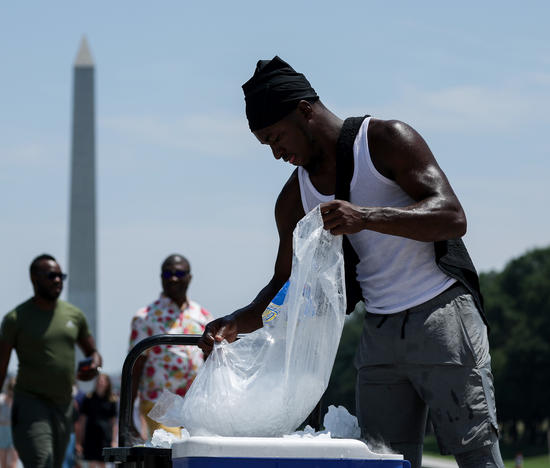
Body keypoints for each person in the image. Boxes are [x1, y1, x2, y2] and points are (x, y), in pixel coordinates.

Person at [198, 56, 502, 468]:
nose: (276, 153)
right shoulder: (294, 200)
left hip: (442, 316)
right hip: (378, 335)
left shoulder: (383, 139)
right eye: (266, 144)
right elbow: (284, 285)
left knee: (476, 456)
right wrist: (237, 322)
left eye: (276, 137)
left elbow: (453, 217)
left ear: (304, 110)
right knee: (379, 461)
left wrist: (368, 216)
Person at [0, 253, 102, 468]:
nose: (57, 281)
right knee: (41, 461)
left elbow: (93, 352)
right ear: (33, 278)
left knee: (55, 464)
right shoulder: (15, 319)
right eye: (51, 276)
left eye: (60, 276)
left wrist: (94, 365)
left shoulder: (74, 315)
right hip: (31, 403)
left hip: (63, 405)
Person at [130, 254, 212, 438]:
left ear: (189, 277)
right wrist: (127, 417)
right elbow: (134, 369)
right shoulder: (145, 317)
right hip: (159, 401)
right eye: (168, 274)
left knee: (195, 450)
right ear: (161, 277)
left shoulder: (203, 316)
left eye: (179, 273)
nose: (173, 278)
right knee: (172, 446)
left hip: (194, 402)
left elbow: (210, 363)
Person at [78, 374, 118, 467]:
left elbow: (113, 422)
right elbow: (82, 420)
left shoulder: (112, 400)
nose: (100, 383)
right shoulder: (88, 398)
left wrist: (114, 440)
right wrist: (79, 441)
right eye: (98, 380)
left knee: (103, 462)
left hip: (105, 436)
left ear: (107, 383)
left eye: (102, 381)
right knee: (91, 461)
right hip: (90, 435)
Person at [0, 377, 18, 468]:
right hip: (1, 433)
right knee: (3, 465)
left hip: (14, 434)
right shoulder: (0, 399)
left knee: (12, 464)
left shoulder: (18, 401)